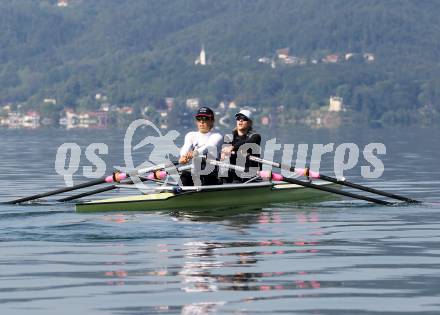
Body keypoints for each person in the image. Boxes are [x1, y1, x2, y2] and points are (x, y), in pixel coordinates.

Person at [179, 107, 223, 186]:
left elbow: (207, 147)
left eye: (205, 118)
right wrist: (183, 156)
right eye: (199, 119)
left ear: (212, 121)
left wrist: (195, 153)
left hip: (210, 176)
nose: (201, 121)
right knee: (185, 176)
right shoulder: (191, 135)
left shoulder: (217, 136)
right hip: (193, 174)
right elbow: (185, 147)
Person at [221, 109, 261, 183]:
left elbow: (248, 142)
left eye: (244, 119)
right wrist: (223, 154)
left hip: (251, 177)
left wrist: (232, 147)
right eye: (238, 118)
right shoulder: (229, 138)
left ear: (250, 123)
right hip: (233, 175)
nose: (240, 120)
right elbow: (224, 152)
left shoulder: (255, 137)